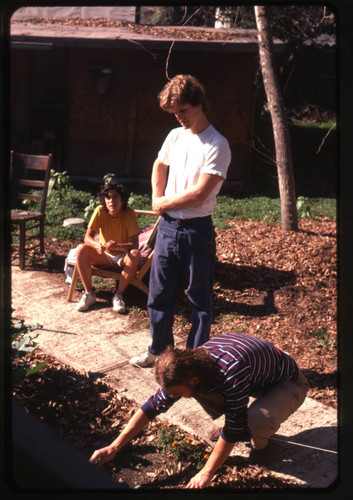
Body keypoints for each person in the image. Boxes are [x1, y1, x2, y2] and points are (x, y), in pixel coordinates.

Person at [90, 332, 310, 489]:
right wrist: (114, 447)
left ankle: (261, 446)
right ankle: (243, 424)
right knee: (217, 404)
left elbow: (233, 429)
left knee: (254, 421)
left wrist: (206, 472)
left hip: (287, 380)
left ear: (194, 379)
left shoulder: (232, 372)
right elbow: (151, 408)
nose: (171, 395)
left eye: (174, 392)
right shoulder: (189, 366)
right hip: (256, 376)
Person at [130, 74, 231, 367]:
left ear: (199, 103)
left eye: (183, 110)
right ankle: (158, 350)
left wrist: (163, 202)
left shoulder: (217, 144)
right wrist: (156, 195)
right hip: (167, 228)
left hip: (195, 231)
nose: (179, 117)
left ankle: (193, 362)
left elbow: (200, 193)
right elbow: (159, 164)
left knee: (198, 299)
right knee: (159, 295)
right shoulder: (175, 136)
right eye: (174, 112)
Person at [74, 182, 141, 313]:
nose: (111, 201)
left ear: (122, 199)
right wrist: (96, 245)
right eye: (108, 198)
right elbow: (87, 237)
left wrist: (119, 246)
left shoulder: (129, 214)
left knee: (135, 254)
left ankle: (118, 295)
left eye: (115, 197)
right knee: (81, 249)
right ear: (104, 200)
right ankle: (89, 294)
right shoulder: (100, 211)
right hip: (104, 255)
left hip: (122, 256)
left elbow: (135, 244)